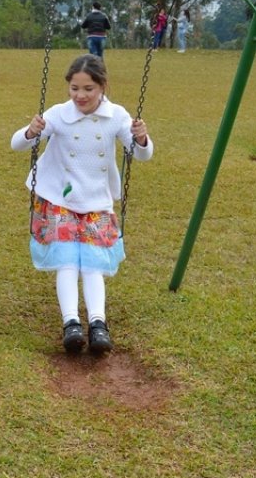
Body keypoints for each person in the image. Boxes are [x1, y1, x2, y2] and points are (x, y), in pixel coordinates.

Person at [10, 54, 152, 354]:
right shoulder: (60, 114)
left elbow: (140, 155)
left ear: (102, 86)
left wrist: (141, 138)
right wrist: (31, 131)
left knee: (92, 264)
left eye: (88, 88)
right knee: (66, 261)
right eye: (74, 88)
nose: (80, 96)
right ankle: (71, 322)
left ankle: (98, 323)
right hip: (60, 197)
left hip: (96, 200)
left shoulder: (116, 116)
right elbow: (18, 144)